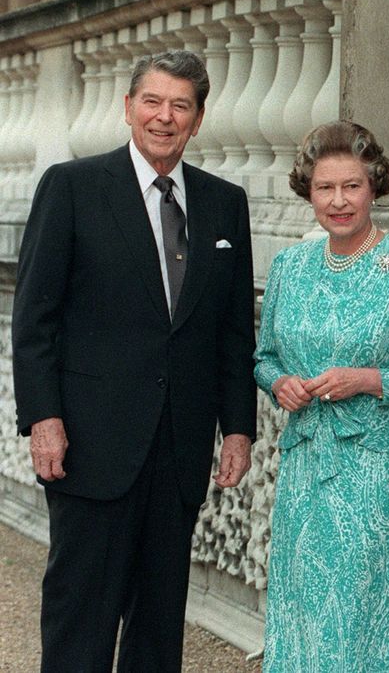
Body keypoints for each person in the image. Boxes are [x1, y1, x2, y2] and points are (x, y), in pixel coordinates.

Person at [12, 50, 257, 672]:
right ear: (127, 107)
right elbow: (35, 316)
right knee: (80, 616)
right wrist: (44, 419)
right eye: (152, 101)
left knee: (157, 624)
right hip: (91, 443)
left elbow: (231, 330)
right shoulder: (72, 187)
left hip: (178, 448)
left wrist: (238, 427)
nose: (164, 117)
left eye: (181, 106)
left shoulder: (225, 203)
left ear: (198, 120)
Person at [254, 120, 389, 672]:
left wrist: (368, 379)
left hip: (378, 474)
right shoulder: (290, 266)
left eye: (351, 186)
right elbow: (264, 356)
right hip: (306, 466)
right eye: (324, 188)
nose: (338, 201)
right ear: (307, 192)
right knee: (300, 610)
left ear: (374, 186)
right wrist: (278, 383)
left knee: (364, 620)